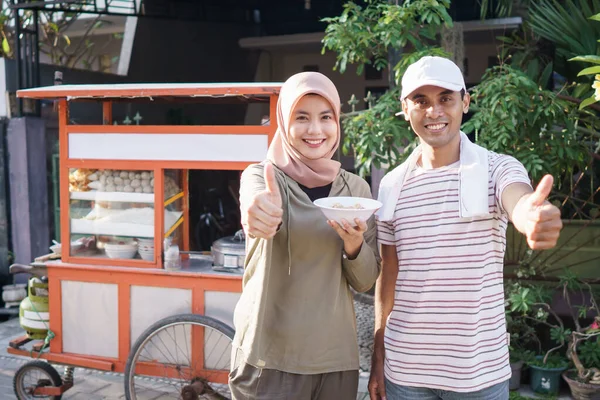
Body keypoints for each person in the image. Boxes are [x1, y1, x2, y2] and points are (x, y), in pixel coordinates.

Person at [368, 56, 563, 400]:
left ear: (465, 101)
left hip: (479, 374)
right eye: (421, 101)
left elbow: (517, 198)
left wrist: (529, 215)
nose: (434, 112)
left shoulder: (496, 168)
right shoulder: (391, 185)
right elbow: (390, 274)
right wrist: (378, 354)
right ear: (405, 108)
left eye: (445, 98)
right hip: (406, 372)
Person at [230, 71, 381, 399]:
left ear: (337, 122)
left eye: (325, 117)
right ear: (284, 122)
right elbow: (255, 208)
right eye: (302, 117)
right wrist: (260, 214)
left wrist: (354, 243)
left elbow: (366, 281)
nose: (315, 130)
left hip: (335, 361)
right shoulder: (264, 176)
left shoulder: (354, 189)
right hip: (270, 359)